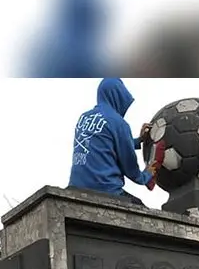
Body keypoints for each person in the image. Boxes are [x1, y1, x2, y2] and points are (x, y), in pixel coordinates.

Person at [67, 77, 158, 206]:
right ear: (118, 97)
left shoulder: (84, 118)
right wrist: (146, 175)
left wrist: (138, 141)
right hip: (105, 189)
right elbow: (130, 166)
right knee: (145, 215)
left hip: (76, 187)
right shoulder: (118, 123)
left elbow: (104, 143)